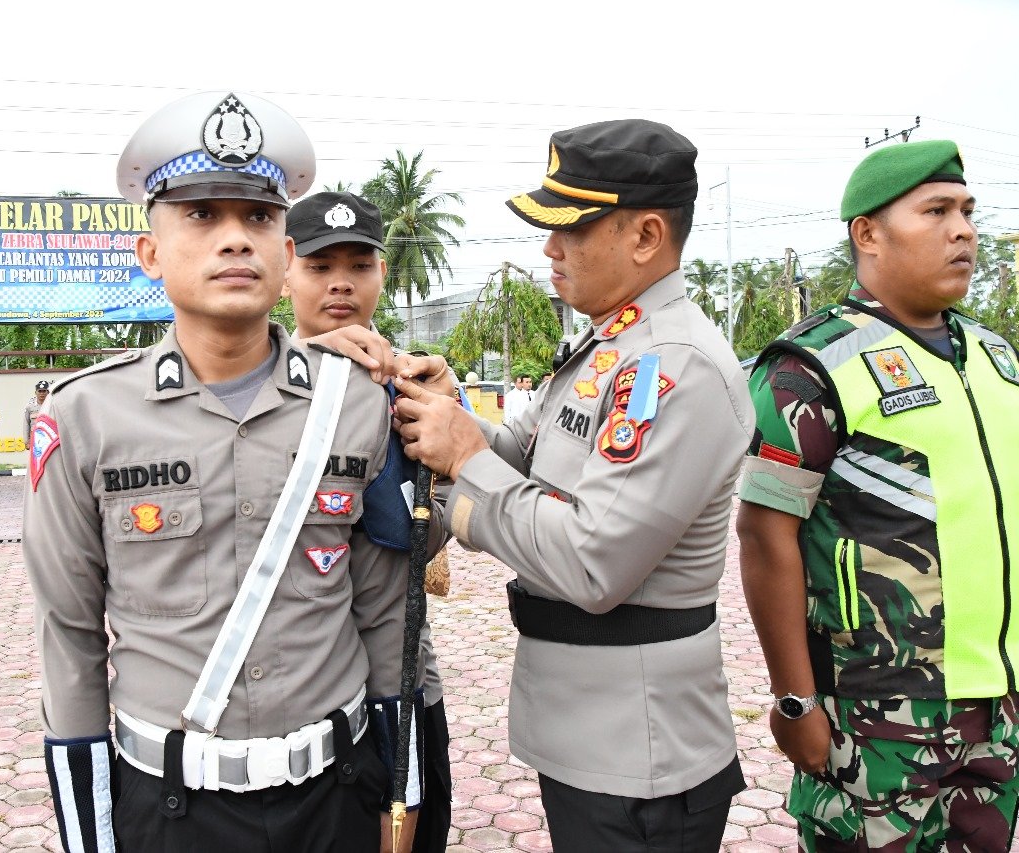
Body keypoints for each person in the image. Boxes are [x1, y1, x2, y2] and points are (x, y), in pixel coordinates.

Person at [24, 90, 411, 853]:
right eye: (202, 216)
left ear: (285, 252)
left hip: (333, 798)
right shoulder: (84, 415)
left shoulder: (355, 405)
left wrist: (404, 787)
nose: (236, 239)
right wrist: (89, 835)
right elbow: (69, 634)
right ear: (151, 252)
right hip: (169, 808)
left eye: (259, 218)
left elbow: (384, 614)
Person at [394, 119, 754, 852]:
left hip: (640, 755)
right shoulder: (609, 345)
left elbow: (593, 560)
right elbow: (528, 464)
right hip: (595, 735)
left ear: (646, 235)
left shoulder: (673, 366)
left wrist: (464, 459)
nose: (550, 248)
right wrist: (453, 415)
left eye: (571, 228)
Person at [737, 140, 1019, 853]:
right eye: (936, 211)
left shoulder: (997, 359)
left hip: (1000, 711)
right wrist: (795, 701)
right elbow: (764, 537)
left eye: (966, 211)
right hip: (877, 717)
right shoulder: (810, 366)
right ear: (868, 232)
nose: (963, 230)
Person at [283, 189, 451, 853]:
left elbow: (424, 534)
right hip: (302, 693)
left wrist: (429, 415)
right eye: (322, 266)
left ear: (384, 272)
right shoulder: (262, 387)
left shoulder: (413, 383)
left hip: (405, 680)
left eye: (360, 264)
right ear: (287, 269)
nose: (342, 283)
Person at [23, 381, 50, 449]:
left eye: (44, 391)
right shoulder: (29, 407)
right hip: (35, 438)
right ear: (36, 392)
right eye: (39, 391)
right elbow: (26, 424)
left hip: (49, 438)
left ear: (48, 392)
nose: (42, 393)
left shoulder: (51, 405)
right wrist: (27, 441)